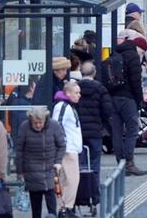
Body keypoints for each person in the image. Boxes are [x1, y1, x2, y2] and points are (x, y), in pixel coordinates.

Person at [107, 32, 147, 176]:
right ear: (139, 47)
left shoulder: (115, 53)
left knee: (117, 132)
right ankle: (129, 162)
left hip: (113, 98)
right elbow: (136, 81)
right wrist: (139, 100)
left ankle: (121, 164)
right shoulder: (133, 56)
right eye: (142, 52)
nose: (142, 55)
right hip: (128, 98)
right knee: (132, 130)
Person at [15, 106, 65, 218]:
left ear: (45, 119)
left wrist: (58, 162)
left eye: (40, 122)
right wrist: (20, 171)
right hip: (32, 173)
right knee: (36, 210)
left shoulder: (54, 126)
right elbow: (19, 150)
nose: (38, 125)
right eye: (35, 123)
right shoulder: (24, 127)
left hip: (50, 172)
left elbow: (61, 145)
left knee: (52, 209)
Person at [76, 61, 112, 204]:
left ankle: (80, 194)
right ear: (94, 73)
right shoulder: (100, 89)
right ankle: (94, 195)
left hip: (78, 133)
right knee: (95, 164)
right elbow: (107, 111)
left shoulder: (75, 88)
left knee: (79, 163)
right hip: (95, 132)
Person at [52, 81, 82, 216]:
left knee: (67, 180)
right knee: (71, 180)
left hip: (70, 148)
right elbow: (56, 125)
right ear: (68, 93)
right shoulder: (63, 106)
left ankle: (64, 207)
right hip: (68, 149)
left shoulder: (66, 106)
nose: (79, 95)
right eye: (76, 93)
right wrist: (62, 144)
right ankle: (66, 208)